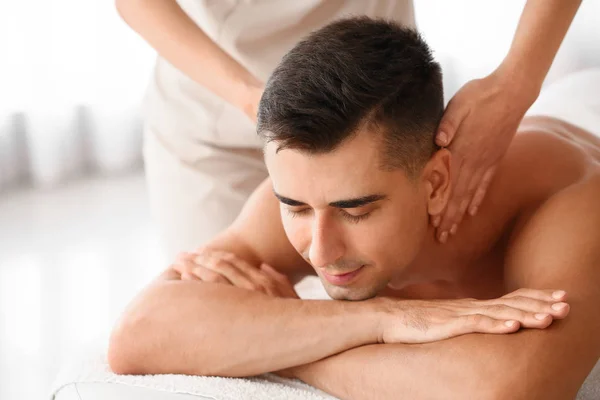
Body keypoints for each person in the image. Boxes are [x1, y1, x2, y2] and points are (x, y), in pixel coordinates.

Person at [108, 18, 600, 399]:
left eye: (356, 211)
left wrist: (268, 346)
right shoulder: (319, 191)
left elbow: (510, 387)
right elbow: (138, 333)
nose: (321, 251)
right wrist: (385, 321)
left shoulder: (567, 206)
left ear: (436, 183)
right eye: (294, 207)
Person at [116, 0, 581, 259]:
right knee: (224, 306)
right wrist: (251, 98)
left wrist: (517, 82)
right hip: (213, 110)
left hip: (378, 117)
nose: (320, 250)